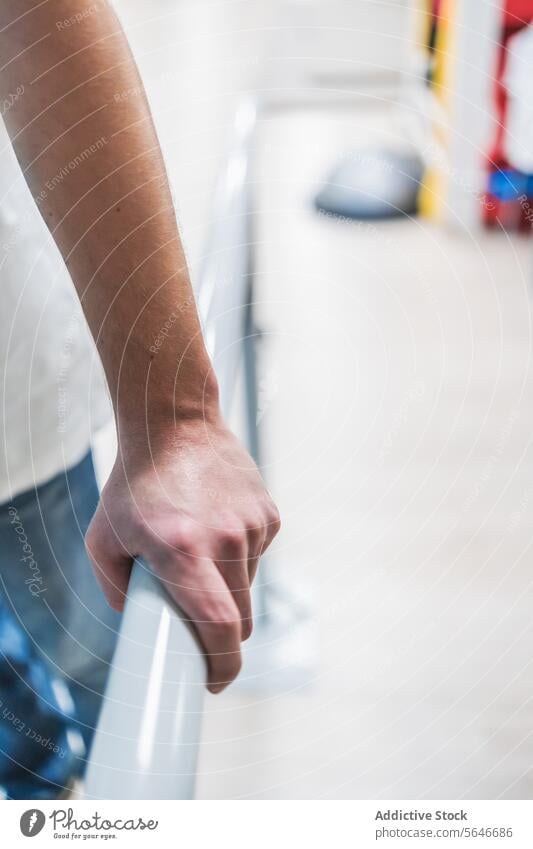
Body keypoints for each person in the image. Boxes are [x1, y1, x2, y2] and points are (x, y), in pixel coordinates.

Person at [0, 0, 280, 799]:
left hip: (11, 427)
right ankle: (41, 774)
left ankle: (85, 782)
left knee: (90, 646)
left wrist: (173, 421)